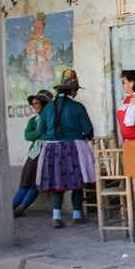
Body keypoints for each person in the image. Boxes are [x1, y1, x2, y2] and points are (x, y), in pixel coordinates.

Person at [37, 70, 94, 228]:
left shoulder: (48, 107)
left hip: (52, 148)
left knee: (57, 184)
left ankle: (56, 217)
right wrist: (85, 136)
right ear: (72, 90)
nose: (76, 93)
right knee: (78, 183)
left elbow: (41, 128)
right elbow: (88, 130)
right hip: (74, 147)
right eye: (76, 90)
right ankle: (77, 215)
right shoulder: (77, 107)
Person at [12, 90, 53, 218]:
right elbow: (27, 135)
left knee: (35, 184)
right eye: (33, 104)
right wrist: (39, 133)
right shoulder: (33, 120)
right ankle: (12, 207)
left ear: (43, 104)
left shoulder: (51, 119)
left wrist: (39, 134)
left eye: (36, 103)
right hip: (34, 154)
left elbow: (51, 135)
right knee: (25, 182)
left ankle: (21, 208)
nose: (34, 106)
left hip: (46, 152)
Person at [24, 12, 55, 92]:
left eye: (40, 24)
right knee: (33, 80)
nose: (38, 27)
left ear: (43, 26)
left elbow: (50, 54)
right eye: (36, 25)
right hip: (33, 64)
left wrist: (42, 52)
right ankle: (33, 95)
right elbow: (28, 52)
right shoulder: (31, 39)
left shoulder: (46, 38)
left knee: (45, 80)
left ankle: (47, 96)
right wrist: (33, 52)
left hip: (43, 63)